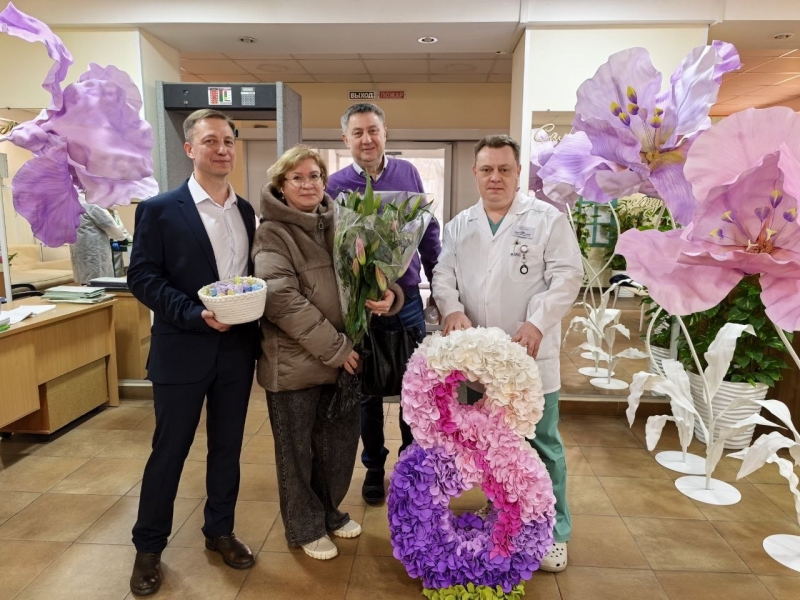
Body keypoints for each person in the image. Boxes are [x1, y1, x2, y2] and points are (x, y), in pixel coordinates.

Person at [432, 134, 583, 573]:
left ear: (518, 173)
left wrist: (537, 322)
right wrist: (452, 309)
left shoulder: (548, 220)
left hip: (530, 355)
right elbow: (443, 275)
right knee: (490, 443)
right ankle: (502, 510)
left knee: (543, 444)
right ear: (475, 174)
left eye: (504, 169)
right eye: (486, 169)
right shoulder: (460, 225)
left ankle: (555, 531)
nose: (494, 177)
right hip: (477, 363)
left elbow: (567, 277)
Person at [127, 109, 260, 595]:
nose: (222, 149)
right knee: (170, 451)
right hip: (181, 350)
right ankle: (148, 548)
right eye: (210, 141)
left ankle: (219, 530)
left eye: (228, 141)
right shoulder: (160, 209)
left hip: (236, 351)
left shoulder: (246, 211)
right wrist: (192, 313)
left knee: (227, 447)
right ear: (189, 149)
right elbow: (142, 277)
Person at [253, 145, 403, 560]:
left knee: (337, 446)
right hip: (296, 364)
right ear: (281, 186)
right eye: (297, 177)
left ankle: (330, 512)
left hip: (344, 362)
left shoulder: (345, 221)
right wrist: (337, 349)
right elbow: (281, 300)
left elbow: (373, 271)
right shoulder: (272, 233)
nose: (308, 184)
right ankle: (304, 526)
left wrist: (389, 294)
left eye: (315, 176)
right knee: (297, 452)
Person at [326, 102, 441, 505]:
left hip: (406, 303)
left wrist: (437, 287)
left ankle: (410, 469)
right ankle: (374, 468)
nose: (366, 139)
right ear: (345, 139)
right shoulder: (335, 185)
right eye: (357, 133)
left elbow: (427, 234)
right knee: (367, 393)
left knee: (415, 389)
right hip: (359, 307)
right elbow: (333, 250)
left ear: (385, 133)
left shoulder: (407, 173)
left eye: (373, 130)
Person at [69, 194, 128, 284]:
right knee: (99, 280)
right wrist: (123, 238)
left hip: (78, 248)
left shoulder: (71, 204)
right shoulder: (93, 205)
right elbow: (112, 228)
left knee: (82, 278)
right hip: (95, 250)